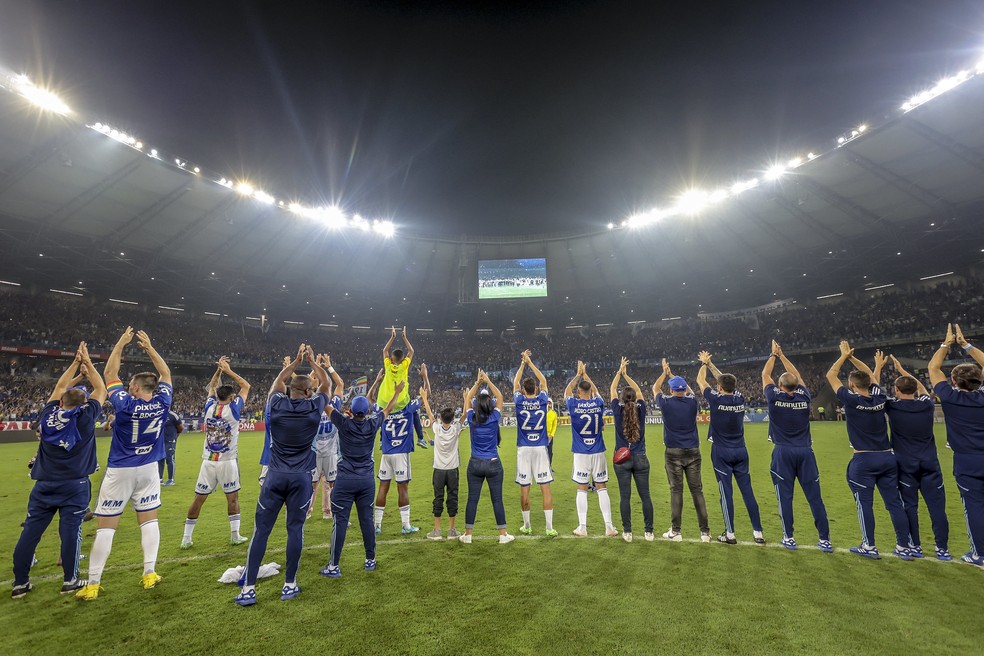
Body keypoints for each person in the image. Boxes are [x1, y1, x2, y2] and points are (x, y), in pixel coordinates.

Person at [77, 328, 173, 600]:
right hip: (149, 469)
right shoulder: (163, 401)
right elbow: (165, 375)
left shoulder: (124, 403)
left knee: (107, 526)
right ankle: (149, 573)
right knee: (149, 521)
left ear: (134, 387)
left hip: (121, 469)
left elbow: (109, 374)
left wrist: (120, 342)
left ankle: (93, 583)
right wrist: (150, 347)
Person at [235, 345, 329, 606]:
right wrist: (313, 362)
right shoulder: (314, 409)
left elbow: (278, 382)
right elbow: (328, 384)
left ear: (291, 389)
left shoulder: (275, 403)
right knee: (295, 530)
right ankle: (289, 584)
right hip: (300, 478)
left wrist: (296, 361)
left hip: (274, 476)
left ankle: (249, 589)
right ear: (308, 392)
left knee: (261, 531)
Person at [12, 343, 106, 599]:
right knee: (70, 533)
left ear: (62, 400)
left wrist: (76, 363)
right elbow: (101, 389)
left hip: (43, 484)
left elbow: (58, 388)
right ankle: (70, 581)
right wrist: (89, 363)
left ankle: (20, 583)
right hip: (74, 485)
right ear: (84, 403)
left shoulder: (47, 416)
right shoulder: (86, 417)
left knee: (30, 532)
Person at [826, 342, 913, 561]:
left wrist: (844, 356)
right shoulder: (880, 398)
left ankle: (869, 545)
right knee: (894, 503)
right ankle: (904, 546)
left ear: (851, 385)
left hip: (864, 459)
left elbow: (831, 374)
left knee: (864, 503)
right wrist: (855, 360)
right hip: (887, 457)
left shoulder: (850, 399)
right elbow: (872, 379)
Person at [321, 379, 403, 577]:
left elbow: (325, 404)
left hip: (345, 480)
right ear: (367, 412)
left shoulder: (343, 422)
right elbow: (388, 409)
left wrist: (319, 385)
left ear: (351, 410)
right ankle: (370, 560)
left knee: (340, 522)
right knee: (366, 520)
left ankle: (333, 566)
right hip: (366, 481)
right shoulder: (373, 423)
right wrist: (397, 392)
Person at [762, 340, 832, 552]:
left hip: (783, 451)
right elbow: (798, 376)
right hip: (805, 451)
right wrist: (783, 356)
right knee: (815, 497)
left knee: (785, 496)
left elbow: (765, 375)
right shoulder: (804, 396)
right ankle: (825, 539)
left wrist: (773, 356)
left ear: (780, 386)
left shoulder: (774, 396)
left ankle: (789, 537)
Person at [928, 324, 984, 569]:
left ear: (953, 381)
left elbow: (933, 368)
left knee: (974, 507)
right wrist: (966, 345)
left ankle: (979, 554)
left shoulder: (950, 398)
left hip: (967, 460)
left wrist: (946, 344)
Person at [181, 356, 252, 550]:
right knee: (232, 498)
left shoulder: (209, 407)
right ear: (230, 398)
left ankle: (186, 538)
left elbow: (212, 387)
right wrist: (228, 370)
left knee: (198, 499)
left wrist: (218, 371)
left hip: (208, 461)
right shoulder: (234, 410)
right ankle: (235, 535)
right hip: (227, 461)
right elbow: (246, 386)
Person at [886, 354, 950, 560]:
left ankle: (915, 546)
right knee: (937, 507)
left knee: (910, 506)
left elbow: (874, 391)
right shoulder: (926, 404)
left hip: (905, 464)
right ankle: (942, 549)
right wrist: (904, 372)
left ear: (896, 390)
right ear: (914, 389)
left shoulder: (892, 406)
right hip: (930, 462)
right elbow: (922, 389)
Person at [697, 351, 764, 545]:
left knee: (725, 493)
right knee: (748, 492)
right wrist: (711, 364)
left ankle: (730, 534)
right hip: (741, 451)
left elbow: (701, 380)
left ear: (718, 387)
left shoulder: (715, 398)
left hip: (721, 451)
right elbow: (725, 381)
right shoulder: (740, 398)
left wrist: (704, 364)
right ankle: (758, 532)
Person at [653, 358, 710, 542]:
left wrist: (665, 373)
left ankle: (676, 531)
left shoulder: (666, 403)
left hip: (673, 452)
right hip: (693, 451)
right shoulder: (692, 403)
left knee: (676, 491)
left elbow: (655, 388)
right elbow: (692, 392)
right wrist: (675, 377)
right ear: (684, 389)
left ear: (671, 390)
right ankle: (705, 532)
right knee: (697, 491)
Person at [460, 370, 514, 544]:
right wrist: (488, 381)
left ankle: (468, 535)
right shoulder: (494, 418)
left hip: (475, 463)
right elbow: (500, 396)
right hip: (493, 463)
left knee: (472, 499)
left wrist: (477, 383)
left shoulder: (471, 417)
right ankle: (503, 535)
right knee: (497, 500)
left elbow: (467, 399)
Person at [565, 361, 618, 538]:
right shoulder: (598, 402)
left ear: (579, 392)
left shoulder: (573, 404)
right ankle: (609, 527)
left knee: (582, 488)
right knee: (602, 487)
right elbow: (595, 391)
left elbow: (567, 392)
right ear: (591, 392)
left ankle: (582, 527)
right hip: (598, 451)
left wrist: (578, 375)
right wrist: (586, 375)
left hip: (581, 453)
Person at [371, 367, 422, 535]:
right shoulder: (408, 409)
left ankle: (377, 525)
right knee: (403, 489)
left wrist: (377, 381)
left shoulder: (384, 411)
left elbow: (370, 400)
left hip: (386, 453)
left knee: (382, 488)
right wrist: (424, 377)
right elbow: (424, 395)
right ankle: (406, 526)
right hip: (401, 453)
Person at [512, 350, 557, 536]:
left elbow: (515, 383)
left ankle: (527, 526)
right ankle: (549, 528)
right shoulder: (542, 400)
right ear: (536, 389)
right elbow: (544, 381)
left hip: (524, 449)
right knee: (545, 488)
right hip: (540, 448)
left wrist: (522, 364)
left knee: (525, 489)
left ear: (523, 390)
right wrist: (530, 363)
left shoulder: (519, 400)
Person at [609, 357, 653, 543]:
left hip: (622, 460)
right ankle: (648, 532)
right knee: (645, 496)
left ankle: (627, 532)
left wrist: (619, 372)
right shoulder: (641, 408)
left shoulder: (617, 409)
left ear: (621, 398)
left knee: (624, 497)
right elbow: (640, 391)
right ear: (635, 398)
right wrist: (627, 376)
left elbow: (612, 389)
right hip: (641, 457)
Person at [421, 385, 462, 540]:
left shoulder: (437, 428)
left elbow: (430, 415)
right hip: (452, 470)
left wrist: (425, 398)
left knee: (438, 497)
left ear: (441, 418)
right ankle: (452, 531)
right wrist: (466, 399)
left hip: (438, 470)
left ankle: (437, 531)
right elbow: (464, 415)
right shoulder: (456, 428)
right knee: (453, 497)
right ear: (452, 419)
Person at [309, 354, 344, 521]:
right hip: (320, 452)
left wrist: (320, 366)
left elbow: (340, 384)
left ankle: (326, 511)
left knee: (325, 484)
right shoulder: (331, 403)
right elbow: (340, 384)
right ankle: (316, 511)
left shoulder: (313, 403)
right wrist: (325, 367)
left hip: (326, 452)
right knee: (321, 484)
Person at [379, 326, 414, 412]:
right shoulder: (404, 366)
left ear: (391, 359)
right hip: (400, 400)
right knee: (411, 407)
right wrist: (404, 338)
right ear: (403, 359)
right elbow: (411, 351)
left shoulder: (388, 365)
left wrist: (392, 337)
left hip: (385, 400)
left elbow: (385, 351)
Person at [158, 409, 183, 485]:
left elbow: (181, 428)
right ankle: (160, 479)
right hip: (160, 441)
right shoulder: (157, 414)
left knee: (170, 459)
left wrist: (174, 437)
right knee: (160, 459)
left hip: (170, 440)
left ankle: (171, 479)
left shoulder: (173, 415)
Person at [546, 399, 558, 470]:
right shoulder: (542, 412)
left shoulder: (554, 413)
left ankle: (549, 466)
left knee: (550, 452)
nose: (549, 405)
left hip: (550, 436)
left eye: (550, 404)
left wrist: (551, 435)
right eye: (547, 403)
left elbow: (554, 425)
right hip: (542, 436)